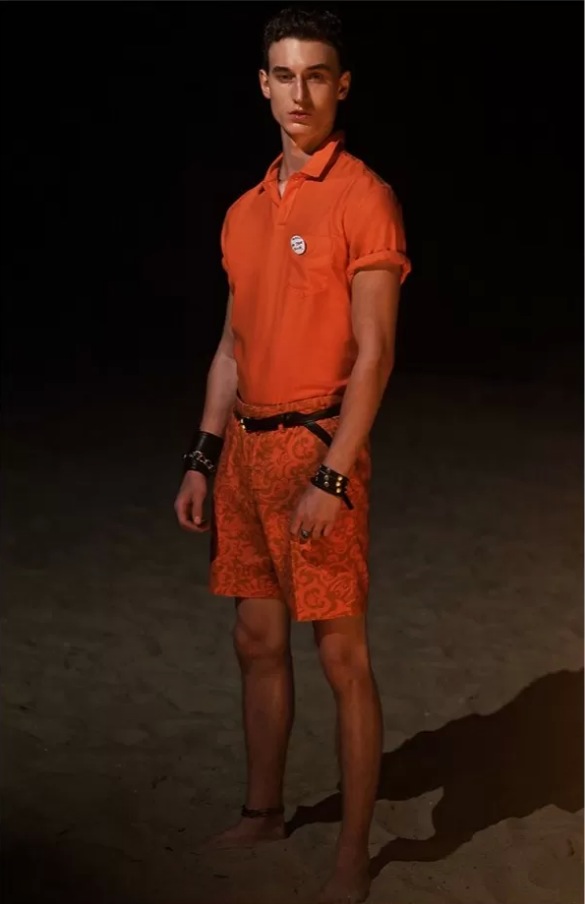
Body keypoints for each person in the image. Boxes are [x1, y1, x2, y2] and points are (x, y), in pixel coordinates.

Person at [174, 7, 411, 902]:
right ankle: (263, 811)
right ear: (263, 86)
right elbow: (231, 346)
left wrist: (333, 472)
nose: (299, 92)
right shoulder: (243, 211)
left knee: (341, 655)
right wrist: (202, 455)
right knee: (255, 640)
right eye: (284, 74)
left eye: (316, 74)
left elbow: (374, 354)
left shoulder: (363, 196)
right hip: (245, 448)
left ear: (340, 86)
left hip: (316, 445)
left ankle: (351, 852)